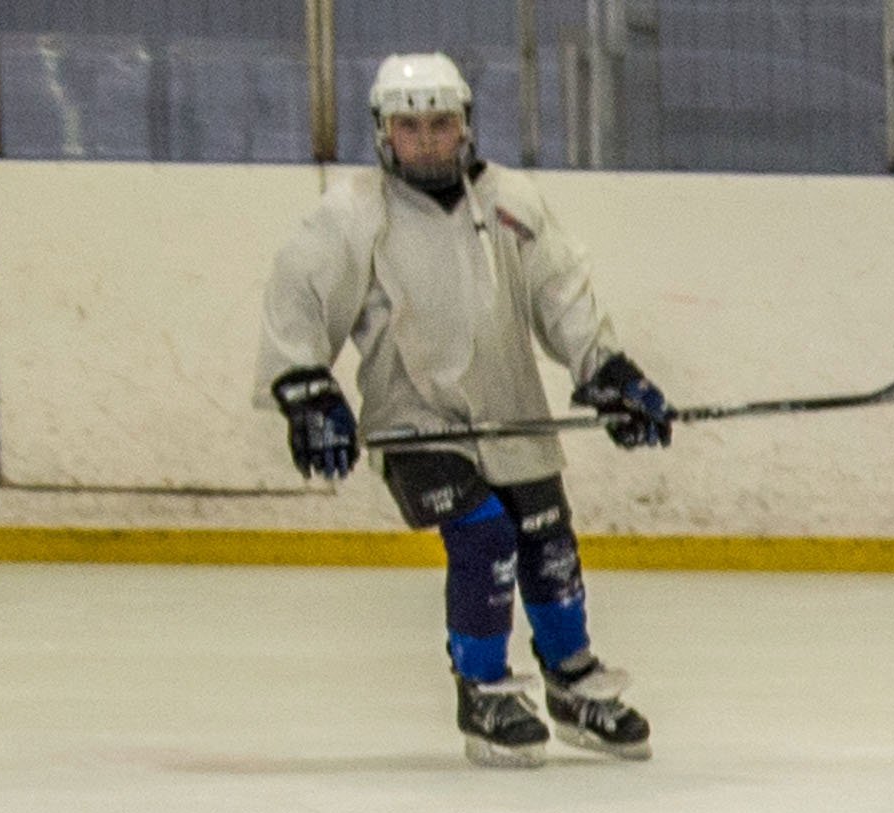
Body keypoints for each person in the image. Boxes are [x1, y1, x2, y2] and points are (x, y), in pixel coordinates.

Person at [259, 52, 669, 768]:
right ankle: (483, 690)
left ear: (465, 125)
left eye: (440, 123)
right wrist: (307, 392)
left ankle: (572, 683)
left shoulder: (511, 201)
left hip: (513, 415)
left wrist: (607, 373)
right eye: (408, 126)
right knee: (484, 538)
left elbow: (562, 295)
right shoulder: (354, 215)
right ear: (384, 132)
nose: (426, 139)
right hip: (415, 423)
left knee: (548, 539)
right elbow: (300, 300)